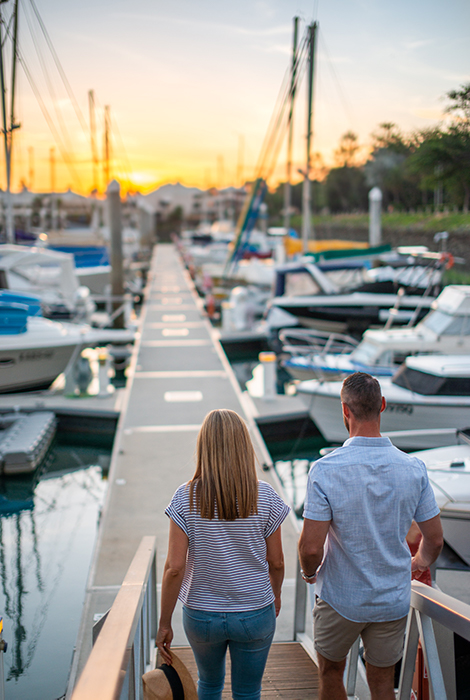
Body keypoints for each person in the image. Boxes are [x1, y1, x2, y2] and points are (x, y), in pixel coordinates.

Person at [298, 372, 443, 700]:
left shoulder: (325, 470)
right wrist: (415, 563)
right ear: (383, 406)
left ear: (345, 411)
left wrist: (309, 573)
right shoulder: (413, 468)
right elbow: (434, 540)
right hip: (390, 599)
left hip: (340, 598)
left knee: (331, 672)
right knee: (382, 682)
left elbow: (310, 547)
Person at [156, 408, 290, 700]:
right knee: (247, 691)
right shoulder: (265, 495)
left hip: (202, 615)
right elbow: (276, 562)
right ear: (244, 446)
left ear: (204, 447)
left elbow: (174, 568)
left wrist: (164, 623)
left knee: (209, 684)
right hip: (255, 611)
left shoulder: (185, 496)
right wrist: (275, 594)